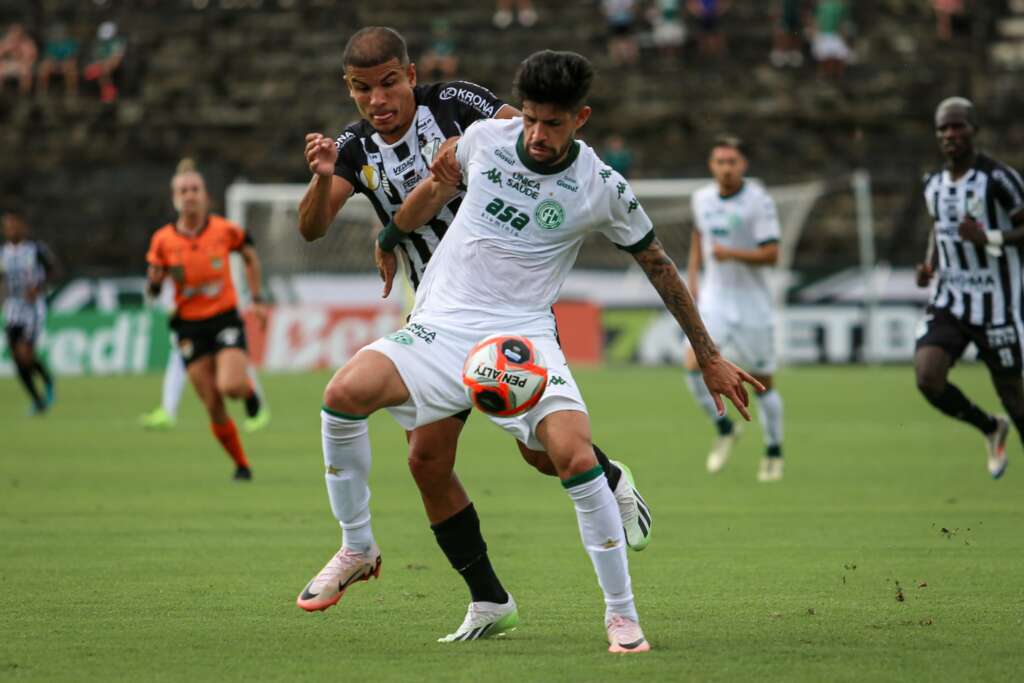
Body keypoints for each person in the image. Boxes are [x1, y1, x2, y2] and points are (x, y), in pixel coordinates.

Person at [301, 48, 761, 653]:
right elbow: (437, 188)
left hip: (520, 335)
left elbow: (659, 264)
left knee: (563, 457)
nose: (539, 135)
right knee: (347, 400)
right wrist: (390, 235)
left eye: (554, 123)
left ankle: (621, 616)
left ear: (581, 118)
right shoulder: (485, 138)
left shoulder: (600, 186)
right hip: (440, 322)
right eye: (532, 120)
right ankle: (363, 547)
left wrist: (707, 353)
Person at [915, 97, 1024, 480]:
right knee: (928, 378)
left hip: (997, 304)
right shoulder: (933, 183)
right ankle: (989, 427)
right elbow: (939, 228)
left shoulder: (998, 179)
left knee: (1016, 399)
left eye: (957, 126)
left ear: (973, 129)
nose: (950, 134)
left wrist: (989, 237)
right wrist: (931, 263)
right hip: (950, 300)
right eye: (943, 128)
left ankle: (1007, 424)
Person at [145, 159, 269, 480]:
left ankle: (250, 394)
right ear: (175, 197)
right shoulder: (163, 240)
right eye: (183, 190)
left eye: (195, 189)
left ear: (205, 196)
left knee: (231, 385)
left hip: (224, 318)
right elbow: (153, 289)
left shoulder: (224, 230)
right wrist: (155, 282)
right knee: (212, 403)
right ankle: (241, 465)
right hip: (188, 326)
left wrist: (256, 299)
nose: (189, 195)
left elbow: (250, 255)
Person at [684, 136, 785, 482]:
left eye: (732, 162)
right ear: (712, 166)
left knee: (763, 383)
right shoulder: (701, 198)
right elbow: (699, 236)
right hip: (714, 301)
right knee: (692, 365)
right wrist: (693, 276)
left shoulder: (759, 202)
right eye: (720, 162)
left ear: (743, 165)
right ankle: (725, 428)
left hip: (752, 303)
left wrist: (733, 254)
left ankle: (773, 450)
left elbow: (772, 254)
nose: (726, 168)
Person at [2, 209, 58, 415]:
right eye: (7, 226)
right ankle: (37, 400)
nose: (10, 230)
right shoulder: (3, 253)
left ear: (22, 227)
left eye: (14, 225)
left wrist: (39, 286)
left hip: (33, 309)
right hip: (12, 308)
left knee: (25, 354)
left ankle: (47, 380)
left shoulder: (35, 249)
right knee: (17, 359)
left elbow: (54, 270)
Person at [82, 21, 125, 103]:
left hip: (115, 63)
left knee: (104, 69)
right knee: (94, 71)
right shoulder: (99, 43)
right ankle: (107, 91)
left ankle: (109, 93)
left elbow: (117, 57)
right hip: (102, 63)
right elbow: (97, 57)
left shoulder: (118, 42)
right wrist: (97, 64)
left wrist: (106, 63)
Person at [36, 23, 79, 98]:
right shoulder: (51, 43)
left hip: (66, 64)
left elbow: (71, 57)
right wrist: (54, 64)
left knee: (72, 68)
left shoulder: (70, 43)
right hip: (54, 64)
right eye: (57, 32)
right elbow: (48, 56)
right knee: (43, 66)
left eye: (61, 32)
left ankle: (71, 92)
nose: (59, 34)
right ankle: (42, 91)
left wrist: (63, 64)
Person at [0, 23, 37, 95]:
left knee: (26, 72)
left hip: (22, 64)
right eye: (13, 32)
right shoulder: (4, 42)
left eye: (17, 32)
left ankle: (24, 95)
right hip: (6, 64)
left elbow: (32, 56)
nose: (15, 34)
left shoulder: (28, 42)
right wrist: (7, 49)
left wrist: (20, 51)